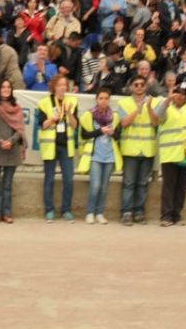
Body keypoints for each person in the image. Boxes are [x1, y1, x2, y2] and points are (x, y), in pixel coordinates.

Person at [154, 80, 186, 226]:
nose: (179, 96)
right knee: (168, 186)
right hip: (170, 153)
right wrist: (167, 100)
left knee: (181, 186)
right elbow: (158, 116)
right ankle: (166, 215)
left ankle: (176, 213)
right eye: (177, 93)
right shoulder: (167, 108)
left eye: (182, 94)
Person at [116, 74, 158, 225]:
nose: (139, 87)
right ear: (131, 87)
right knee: (128, 183)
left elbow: (155, 123)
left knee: (143, 183)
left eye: (142, 84)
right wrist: (137, 109)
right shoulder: (124, 103)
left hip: (147, 149)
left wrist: (148, 108)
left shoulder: (153, 102)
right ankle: (126, 212)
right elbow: (124, 123)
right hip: (130, 149)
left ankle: (139, 211)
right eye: (136, 84)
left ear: (146, 86)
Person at [37, 74, 79, 222]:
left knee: (69, 179)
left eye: (64, 85)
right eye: (60, 85)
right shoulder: (44, 103)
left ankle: (66, 210)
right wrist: (53, 119)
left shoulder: (72, 101)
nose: (62, 88)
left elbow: (75, 125)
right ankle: (49, 210)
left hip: (65, 146)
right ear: (54, 87)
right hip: (50, 145)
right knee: (49, 179)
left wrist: (68, 112)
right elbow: (42, 125)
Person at [77, 87, 122, 225]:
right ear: (96, 99)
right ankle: (90, 212)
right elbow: (84, 135)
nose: (103, 101)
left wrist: (112, 133)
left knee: (104, 187)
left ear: (109, 100)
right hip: (95, 155)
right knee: (95, 185)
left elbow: (118, 136)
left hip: (109, 156)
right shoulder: (88, 115)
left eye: (106, 98)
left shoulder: (114, 117)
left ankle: (99, 213)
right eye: (101, 98)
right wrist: (99, 131)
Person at [0, 78, 25, 223]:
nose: (6, 89)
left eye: (8, 87)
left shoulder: (17, 108)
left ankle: (7, 212)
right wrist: (0, 141)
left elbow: (19, 129)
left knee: (7, 184)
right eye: (3, 87)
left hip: (12, 150)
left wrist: (11, 141)